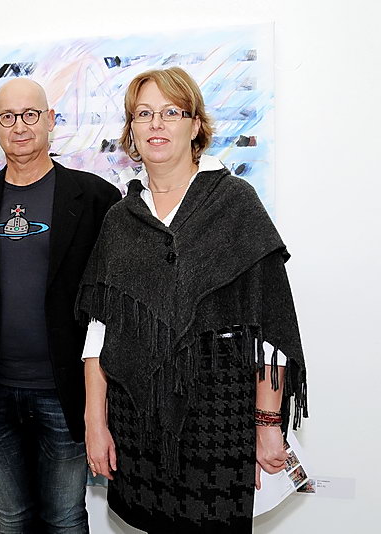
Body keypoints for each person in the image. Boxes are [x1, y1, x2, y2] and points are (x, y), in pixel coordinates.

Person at [77, 67, 308, 533]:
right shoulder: (120, 219)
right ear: (131, 130)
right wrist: (94, 421)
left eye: (171, 112)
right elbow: (99, 332)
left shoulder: (235, 202)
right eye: (143, 114)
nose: (156, 124)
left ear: (195, 124)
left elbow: (270, 328)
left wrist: (267, 424)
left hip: (220, 413)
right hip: (137, 412)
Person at [0, 78, 121, 533]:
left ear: (50, 120)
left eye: (30, 114)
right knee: (14, 516)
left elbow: (112, 306)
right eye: (8, 117)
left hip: (65, 391)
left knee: (64, 517)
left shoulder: (96, 198)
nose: (20, 126)